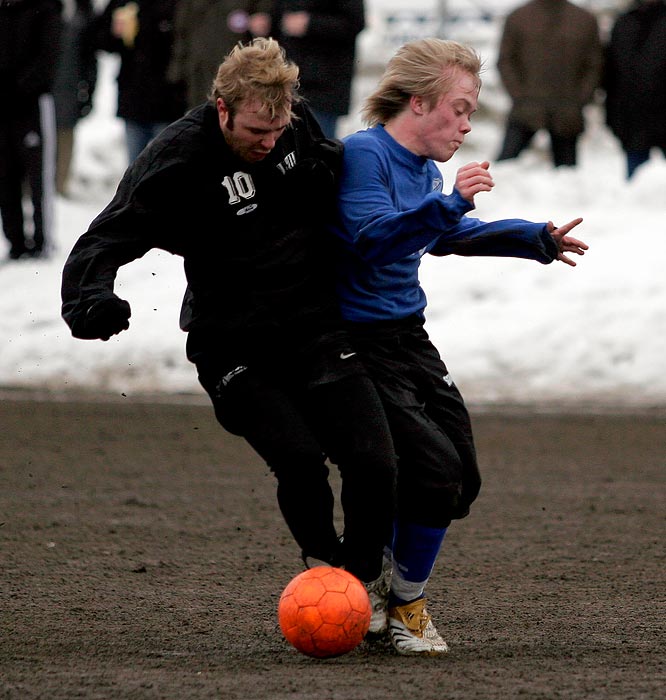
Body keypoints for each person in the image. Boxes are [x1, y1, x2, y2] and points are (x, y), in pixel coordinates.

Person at [60, 38, 397, 624]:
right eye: (254, 132)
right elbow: (105, 236)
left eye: (277, 130)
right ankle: (325, 567)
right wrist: (91, 299)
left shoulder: (292, 124)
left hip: (314, 325)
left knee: (374, 462)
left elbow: (328, 160)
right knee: (298, 457)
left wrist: (328, 171)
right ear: (222, 108)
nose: (269, 143)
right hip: (231, 342)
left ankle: (361, 581)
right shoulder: (178, 158)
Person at [330, 38, 588, 655]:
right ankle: (401, 607)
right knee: (432, 470)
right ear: (419, 103)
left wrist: (533, 238)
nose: (468, 125)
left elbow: (445, 235)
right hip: (358, 344)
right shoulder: (364, 155)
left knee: (460, 478)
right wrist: (448, 204)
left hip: (408, 338)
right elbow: (371, 238)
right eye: (461, 108)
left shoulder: (425, 169)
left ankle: (375, 586)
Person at [496, 0, 603, 167]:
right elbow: (506, 61)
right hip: (526, 109)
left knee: (566, 174)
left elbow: (594, 65)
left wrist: (579, 99)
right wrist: (520, 96)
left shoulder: (584, 20)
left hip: (566, 111)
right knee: (503, 168)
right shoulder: (519, 17)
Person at [0, 0, 62, 260]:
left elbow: (49, 57)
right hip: (3, 106)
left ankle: (42, 238)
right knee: (5, 174)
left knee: (39, 175)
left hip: (32, 103)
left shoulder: (45, 8)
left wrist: (20, 86)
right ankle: (15, 240)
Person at [94, 0, 186, 164]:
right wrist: (115, 32)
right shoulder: (123, 3)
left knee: (166, 164)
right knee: (136, 167)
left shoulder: (176, 5)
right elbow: (100, 40)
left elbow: (186, 42)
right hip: (134, 98)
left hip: (168, 101)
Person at [271, 0, 365, 139]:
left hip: (324, 87)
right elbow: (278, 14)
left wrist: (310, 24)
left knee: (317, 147)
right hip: (286, 83)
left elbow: (355, 22)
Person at [167, 0, 272, 111]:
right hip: (200, 68)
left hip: (238, 68)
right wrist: (178, 67)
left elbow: (263, 21)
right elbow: (182, 29)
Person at [603, 0, 666, 179]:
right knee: (636, 185)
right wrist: (613, 115)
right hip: (633, 118)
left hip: (648, 116)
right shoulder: (625, 23)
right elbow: (611, 73)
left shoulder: (625, 23)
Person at [53, 0, 97, 197]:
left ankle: (60, 185)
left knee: (64, 135)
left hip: (70, 87)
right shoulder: (45, 10)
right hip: (42, 87)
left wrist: (89, 90)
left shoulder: (83, 10)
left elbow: (90, 55)